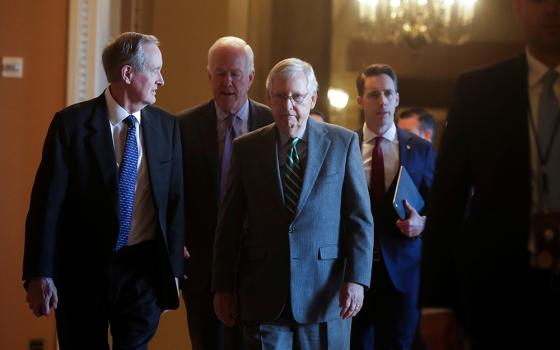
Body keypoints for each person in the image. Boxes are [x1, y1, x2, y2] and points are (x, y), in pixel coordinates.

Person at [22, 32, 184, 350]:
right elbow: (46, 205)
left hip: (143, 273)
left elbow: (175, 204)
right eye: (155, 70)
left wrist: (173, 275)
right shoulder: (71, 125)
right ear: (127, 73)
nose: (162, 80)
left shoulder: (167, 127)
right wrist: (39, 272)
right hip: (82, 271)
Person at [420, 0, 560, 348]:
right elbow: (447, 201)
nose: (552, 8)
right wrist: (436, 302)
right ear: (518, 6)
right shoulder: (479, 91)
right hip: (500, 293)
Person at [212, 58, 374, 349]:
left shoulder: (343, 143)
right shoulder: (246, 148)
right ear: (268, 99)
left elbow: (359, 219)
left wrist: (358, 280)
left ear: (312, 98)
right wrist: (222, 286)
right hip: (263, 294)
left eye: (297, 97)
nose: (288, 105)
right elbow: (229, 224)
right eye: (280, 96)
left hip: (325, 294)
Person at [177, 36, 273, 350]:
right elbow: (172, 196)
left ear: (251, 77)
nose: (227, 82)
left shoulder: (272, 124)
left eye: (235, 73)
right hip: (202, 269)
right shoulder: (182, 126)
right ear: (208, 76)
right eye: (219, 73)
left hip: (260, 268)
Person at [351, 64, 435, 350]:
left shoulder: (420, 150)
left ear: (397, 98)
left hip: (402, 274)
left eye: (388, 93)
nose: (382, 101)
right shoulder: (343, 146)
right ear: (360, 100)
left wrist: (422, 224)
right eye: (374, 94)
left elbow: (442, 208)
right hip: (353, 276)